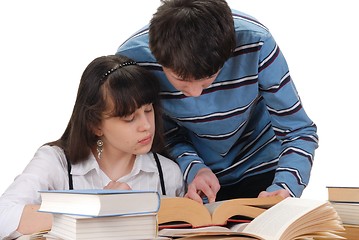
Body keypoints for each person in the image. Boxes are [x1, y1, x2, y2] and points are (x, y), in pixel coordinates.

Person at [117, 0, 318, 204]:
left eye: (208, 81)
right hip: (190, 180)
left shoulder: (257, 42)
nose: (195, 94)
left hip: (263, 171)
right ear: (157, 57)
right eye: (181, 81)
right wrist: (193, 167)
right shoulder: (132, 60)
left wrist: (285, 187)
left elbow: (298, 131)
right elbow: (161, 134)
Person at [0, 54, 185, 239]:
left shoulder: (167, 174)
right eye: (129, 118)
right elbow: (4, 216)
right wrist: (94, 206)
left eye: (148, 110)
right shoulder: (55, 162)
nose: (146, 125)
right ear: (95, 125)